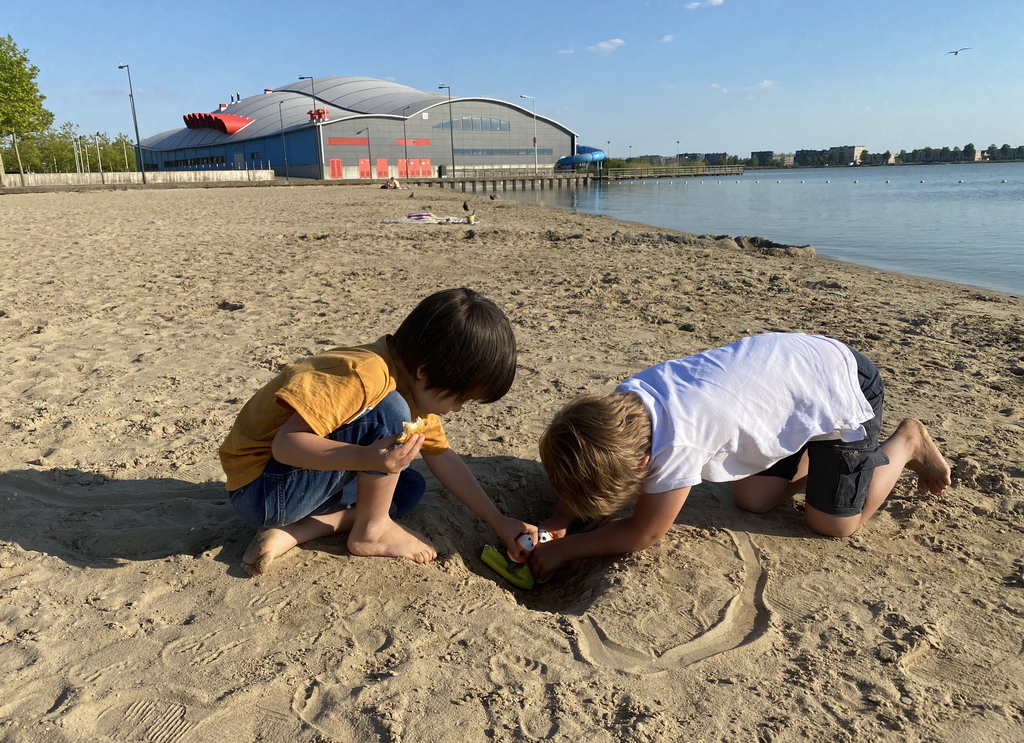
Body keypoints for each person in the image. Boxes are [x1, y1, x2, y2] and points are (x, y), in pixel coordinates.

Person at [529, 332, 951, 579]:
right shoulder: (621, 405)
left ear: (645, 465)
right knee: (754, 500)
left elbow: (645, 533)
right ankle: (818, 453)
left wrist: (565, 550)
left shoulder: (679, 443)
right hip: (790, 381)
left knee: (834, 524)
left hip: (844, 382)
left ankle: (908, 442)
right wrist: (560, 520)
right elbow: (585, 454)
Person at [220, 288, 532, 575]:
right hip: (262, 488)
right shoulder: (367, 375)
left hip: (289, 491)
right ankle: (373, 531)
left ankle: (295, 532)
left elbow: (442, 456)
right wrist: (368, 458)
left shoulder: (412, 386)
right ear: (425, 372)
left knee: (406, 487)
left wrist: (499, 521)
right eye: (460, 398)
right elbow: (285, 445)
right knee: (392, 414)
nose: (458, 409)